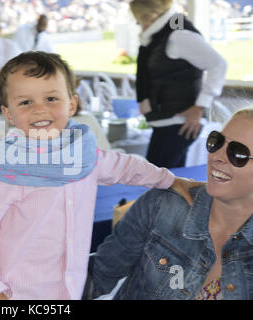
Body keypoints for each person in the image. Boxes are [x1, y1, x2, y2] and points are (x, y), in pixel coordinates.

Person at [0, 51, 201, 300]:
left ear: (72, 104)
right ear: (9, 114)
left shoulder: (84, 154)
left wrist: (171, 180)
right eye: (25, 102)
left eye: (51, 98)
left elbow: (126, 167)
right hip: (17, 294)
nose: (40, 110)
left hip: (71, 290)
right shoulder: (4, 169)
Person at [87, 107, 253, 300]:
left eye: (238, 154)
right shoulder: (162, 205)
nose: (217, 156)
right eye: (217, 142)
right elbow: (95, 278)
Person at [130, 0, 227, 168]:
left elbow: (218, 64)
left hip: (179, 122)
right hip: (167, 121)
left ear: (148, 15)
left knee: (157, 180)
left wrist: (200, 107)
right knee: (168, 181)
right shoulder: (163, 33)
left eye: (138, 19)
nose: (138, 23)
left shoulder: (178, 34)